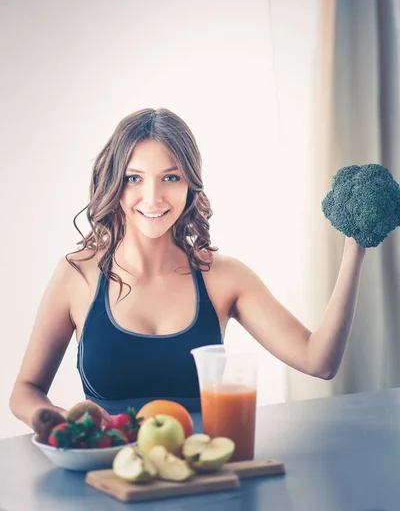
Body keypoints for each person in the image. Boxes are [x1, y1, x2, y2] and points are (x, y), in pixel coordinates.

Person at [9, 108, 366, 429]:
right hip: (109, 476)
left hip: (201, 474)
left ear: (190, 185)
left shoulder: (224, 277)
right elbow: (26, 391)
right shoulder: (77, 275)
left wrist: (355, 246)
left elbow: (319, 361)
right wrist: (58, 421)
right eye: (134, 178)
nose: (152, 197)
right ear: (114, 182)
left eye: (170, 177)